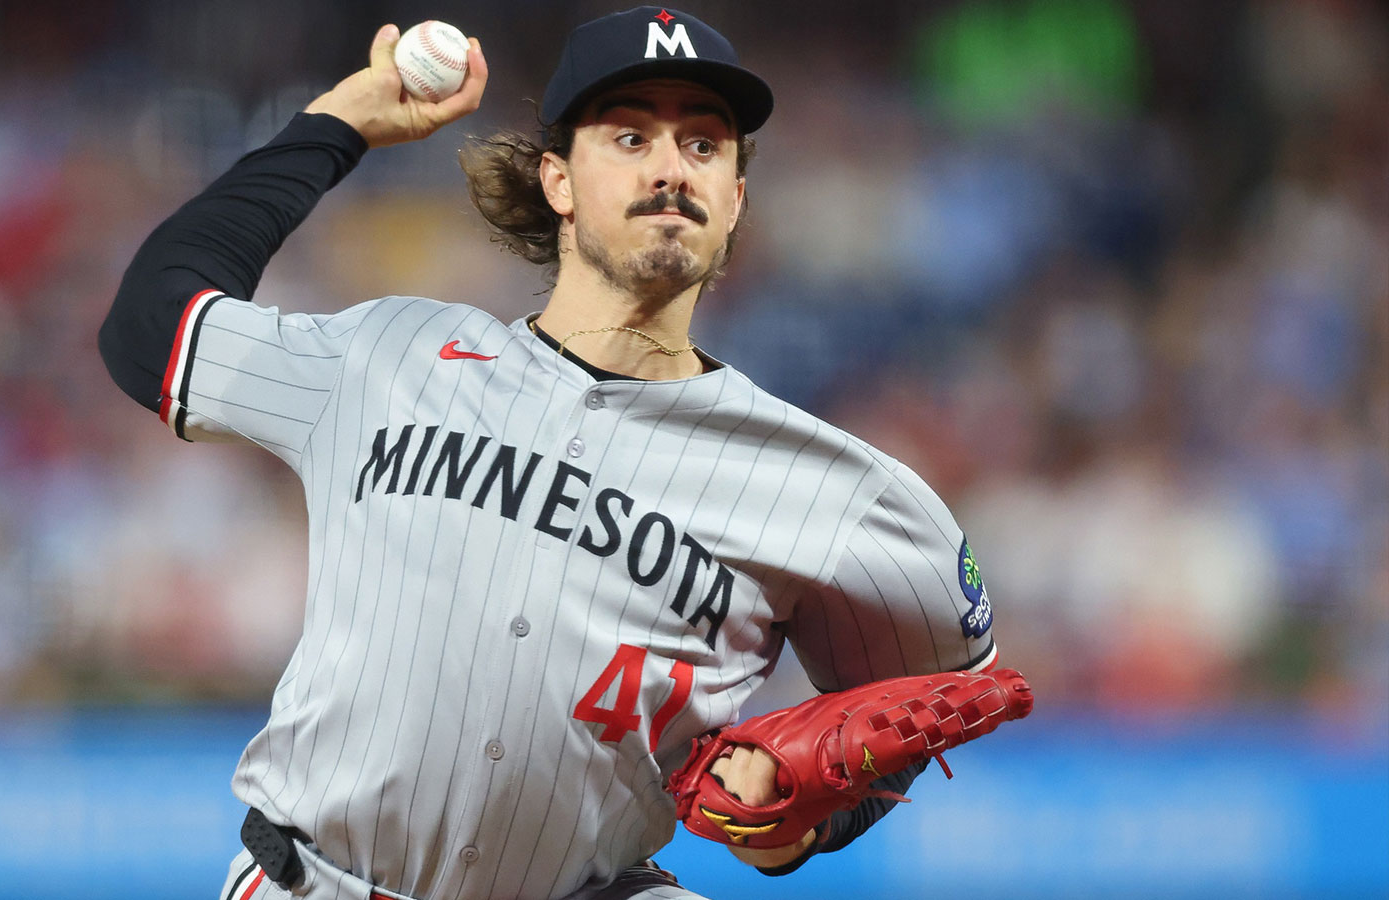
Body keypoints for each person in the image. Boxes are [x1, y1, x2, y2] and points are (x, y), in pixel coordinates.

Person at [99, 7, 998, 899]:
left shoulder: (823, 485)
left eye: (702, 145)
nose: (669, 168)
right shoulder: (387, 355)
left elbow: (935, 693)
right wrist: (335, 126)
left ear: (734, 200)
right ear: (558, 181)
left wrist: (810, 818)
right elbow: (151, 329)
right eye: (630, 136)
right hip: (317, 882)